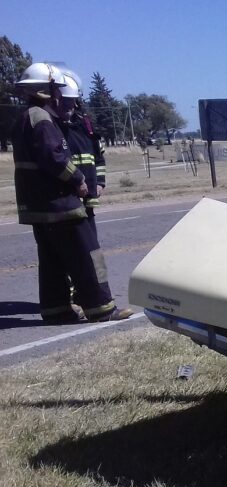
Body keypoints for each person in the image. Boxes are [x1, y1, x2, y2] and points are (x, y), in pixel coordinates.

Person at [12, 63, 132, 323]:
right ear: (48, 90)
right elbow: (55, 157)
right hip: (61, 203)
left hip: (40, 206)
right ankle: (101, 308)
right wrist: (78, 180)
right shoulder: (42, 119)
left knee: (52, 260)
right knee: (87, 255)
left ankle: (56, 311)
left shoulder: (25, 117)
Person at [59, 72, 105, 236]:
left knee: (91, 245)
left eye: (71, 100)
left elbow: (99, 157)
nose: (68, 105)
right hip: (67, 199)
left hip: (88, 199)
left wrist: (100, 183)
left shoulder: (86, 126)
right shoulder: (53, 128)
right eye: (64, 101)